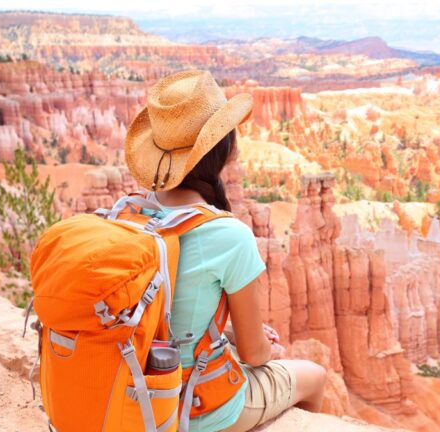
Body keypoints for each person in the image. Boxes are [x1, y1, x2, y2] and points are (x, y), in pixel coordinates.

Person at [124, 69, 326, 432]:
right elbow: (254, 355)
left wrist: (228, 333)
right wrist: (268, 349)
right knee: (315, 375)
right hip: (190, 406)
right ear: (224, 148)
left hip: (127, 391)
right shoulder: (227, 234)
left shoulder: (131, 211)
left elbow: (160, 315)